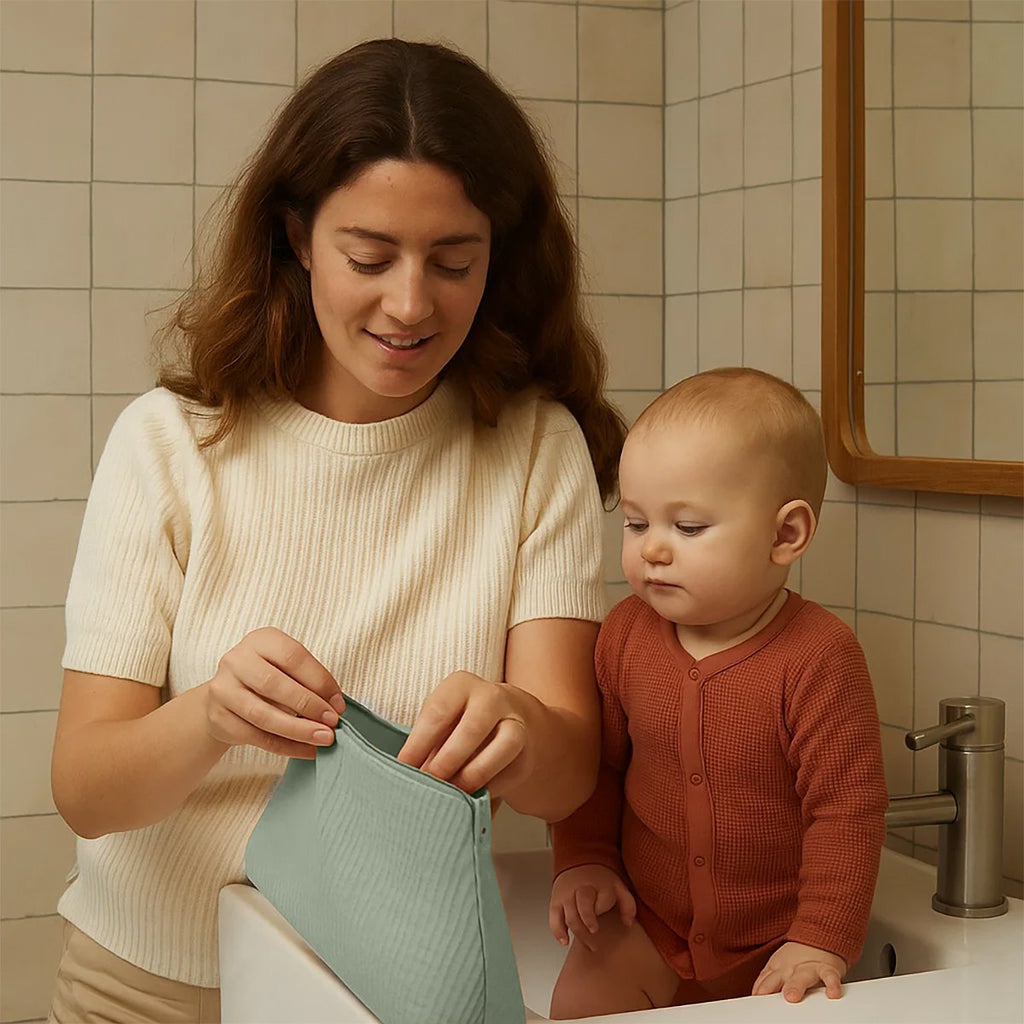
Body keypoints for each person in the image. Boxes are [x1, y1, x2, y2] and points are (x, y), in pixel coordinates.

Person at [47, 38, 626, 1024]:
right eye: (369, 257)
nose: (411, 304)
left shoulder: (536, 448)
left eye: (454, 262)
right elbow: (85, 789)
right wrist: (210, 717)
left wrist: (521, 730)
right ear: (298, 238)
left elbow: (567, 778)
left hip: (389, 997)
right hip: (149, 993)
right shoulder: (170, 443)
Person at [547, 367, 888, 1017]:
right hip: (645, 922)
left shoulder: (820, 657)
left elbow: (847, 811)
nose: (654, 550)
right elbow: (598, 767)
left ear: (785, 536)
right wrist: (583, 861)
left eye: (688, 528)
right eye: (637, 524)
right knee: (580, 1004)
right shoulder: (624, 634)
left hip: (774, 944)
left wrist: (820, 935)